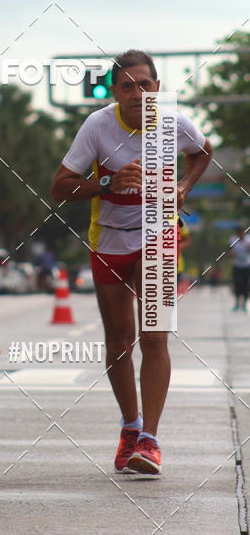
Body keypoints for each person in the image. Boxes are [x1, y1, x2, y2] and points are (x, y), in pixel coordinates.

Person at [51, 50, 213, 475]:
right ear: (115, 92)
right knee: (119, 341)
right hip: (109, 241)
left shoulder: (174, 122)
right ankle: (130, 427)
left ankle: (151, 441)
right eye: (127, 86)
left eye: (145, 84)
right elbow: (60, 187)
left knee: (154, 338)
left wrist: (183, 185)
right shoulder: (99, 126)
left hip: (159, 236)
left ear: (157, 87)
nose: (137, 93)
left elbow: (203, 151)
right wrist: (106, 181)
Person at [229, 224, 250, 312]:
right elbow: (230, 249)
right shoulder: (233, 239)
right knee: (238, 283)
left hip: (246, 265)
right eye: (239, 232)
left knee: (245, 285)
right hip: (237, 265)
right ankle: (237, 303)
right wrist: (232, 253)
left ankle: (244, 304)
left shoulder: (248, 239)